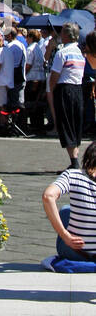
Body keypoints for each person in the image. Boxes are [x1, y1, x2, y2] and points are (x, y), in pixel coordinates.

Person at [42, 141, 96, 260]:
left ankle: (67, 237)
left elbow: (48, 196)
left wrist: (65, 235)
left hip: (76, 253)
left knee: (66, 211)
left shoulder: (73, 175)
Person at [48, 23, 85, 167]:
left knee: (66, 124)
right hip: (78, 89)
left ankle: (74, 161)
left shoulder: (62, 53)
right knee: (75, 124)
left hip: (65, 89)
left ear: (66, 35)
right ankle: (74, 159)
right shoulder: (80, 53)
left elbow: (54, 76)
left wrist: (52, 90)